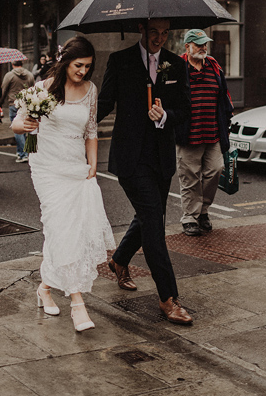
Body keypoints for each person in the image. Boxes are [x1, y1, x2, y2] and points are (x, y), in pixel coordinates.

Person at [12, 37, 116, 332]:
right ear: (65, 62)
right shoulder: (42, 89)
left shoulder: (91, 90)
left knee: (72, 232)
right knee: (60, 228)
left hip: (76, 169)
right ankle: (78, 305)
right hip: (47, 169)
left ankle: (44, 288)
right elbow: (16, 123)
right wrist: (28, 124)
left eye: (88, 67)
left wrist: (93, 164)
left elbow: (92, 130)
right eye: (78, 65)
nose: (83, 71)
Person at [97, 18, 193, 325]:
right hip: (130, 158)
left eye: (166, 33)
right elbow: (103, 104)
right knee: (154, 225)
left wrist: (165, 116)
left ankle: (119, 260)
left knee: (148, 216)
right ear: (142, 28)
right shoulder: (120, 61)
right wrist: (69, 121)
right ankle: (168, 298)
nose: (160, 39)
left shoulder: (176, 64)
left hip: (161, 160)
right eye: (155, 32)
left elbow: (185, 110)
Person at [174, 29, 234, 237]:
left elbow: (224, 98)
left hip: (213, 132)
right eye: (198, 44)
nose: (203, 48)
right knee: (190, 177)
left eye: (204, 44)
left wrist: (226, 122)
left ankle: (203, 211)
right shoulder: (177, 68)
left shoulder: (214, 67)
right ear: (187, 46)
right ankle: (190, 217)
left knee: (215, 170)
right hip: (188, 133)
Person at [0, 60, 35, 162]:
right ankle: (21, 152)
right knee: (25, 128)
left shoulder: (9, 75)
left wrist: (0, 103)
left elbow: (4, 89)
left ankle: (23, 154)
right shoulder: (29, 75)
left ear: (12, 64)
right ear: (22, 64)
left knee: (17, 129)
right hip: (27, 104)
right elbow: (33, 88)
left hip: (14, 104)